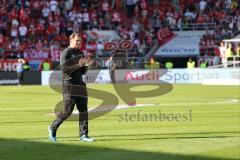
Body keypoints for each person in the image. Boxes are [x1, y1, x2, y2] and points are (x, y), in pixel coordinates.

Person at [48, 33, 94, 142]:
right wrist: (79, 65)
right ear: (71, 41)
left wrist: (87, 66)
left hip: (80, 84)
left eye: (80, 41)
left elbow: (82, 72)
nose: (79, 42)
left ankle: (84, 135)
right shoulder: (66, 52)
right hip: (69, 84)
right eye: (77, 40)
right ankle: (53, 127)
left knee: (83, 111)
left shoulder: (80, 53)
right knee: (67, 111)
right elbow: (64, 69)